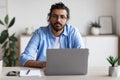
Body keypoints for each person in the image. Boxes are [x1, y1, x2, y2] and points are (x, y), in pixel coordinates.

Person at [20, 2, 84, 68]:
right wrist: (45, 64)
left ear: (66, 20)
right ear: (49, 18)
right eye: (55, 16)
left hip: (68, 72)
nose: (58, 20)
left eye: (62, 17)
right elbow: (24, 59)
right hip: (44, 72)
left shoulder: (73, 32)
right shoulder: (40, 33)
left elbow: (82, 56)